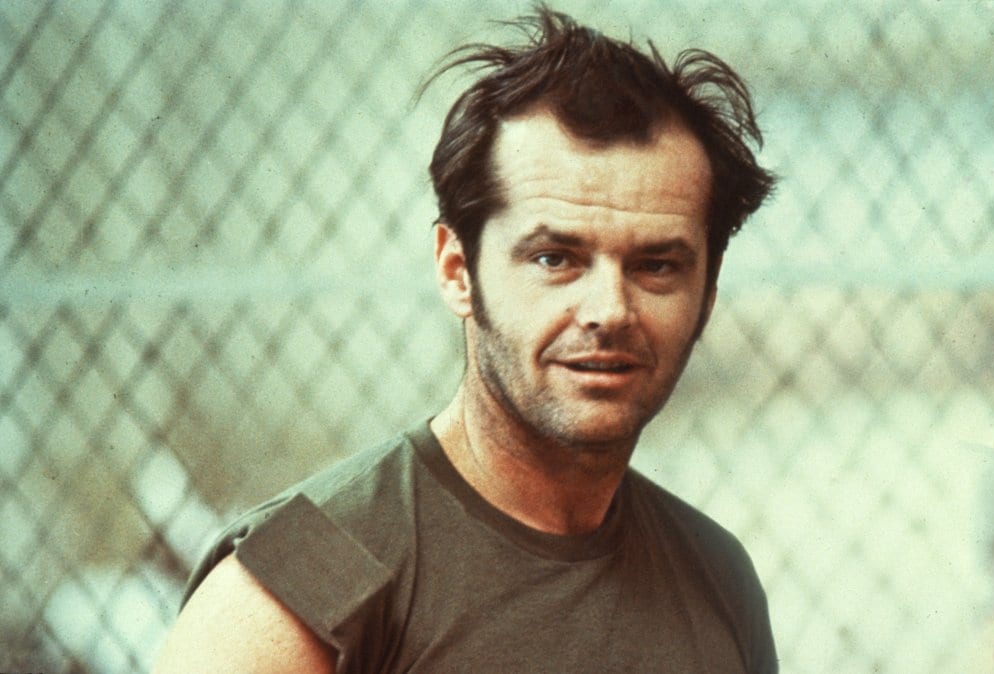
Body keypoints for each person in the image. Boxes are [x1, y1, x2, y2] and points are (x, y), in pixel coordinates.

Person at [153, 7, 778, 673]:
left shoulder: (716, 577)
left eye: (656, 266)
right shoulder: (300, 585)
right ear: (457, 271)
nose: (610, 310)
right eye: (554, 258)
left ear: (707, 294)